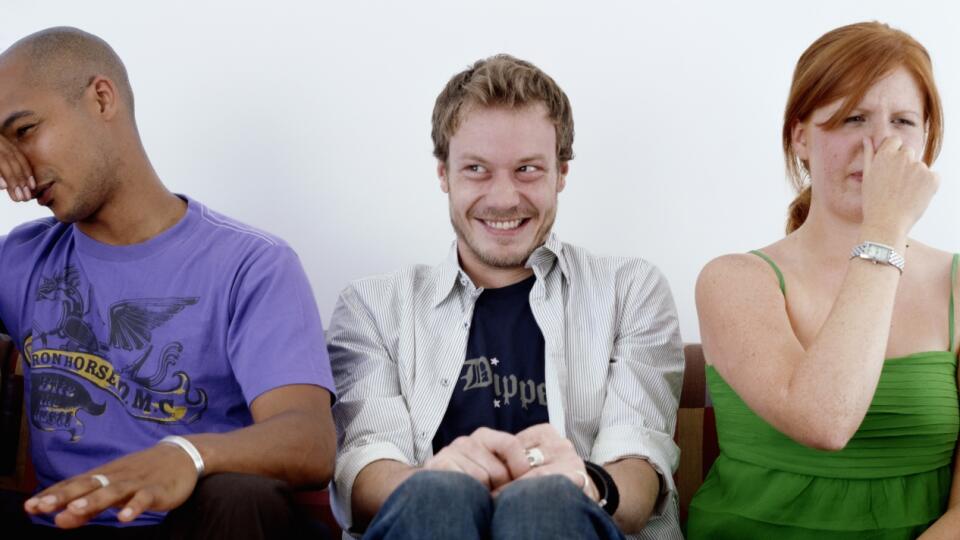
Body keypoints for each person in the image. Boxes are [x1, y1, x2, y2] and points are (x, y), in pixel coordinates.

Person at [327, 54, 685, 540]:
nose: (502, 198)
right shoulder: (373, 308)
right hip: (430, 525)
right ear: (443, 174)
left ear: (561, 173)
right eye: (476, 169)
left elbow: (638, 472)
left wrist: (583, 482)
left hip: (570, 524)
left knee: (544, 504)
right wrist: (438, 481)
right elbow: (365, 467)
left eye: (527, 170)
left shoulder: (630, 291)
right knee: (439, 497)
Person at [0, 27, 337, 538]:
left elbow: (310, 440)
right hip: (58, 523)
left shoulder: (250, 264)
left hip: (192, 524)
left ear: (101, 99)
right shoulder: (21, 259)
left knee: (241, 496)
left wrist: (186, 455)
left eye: (24, 131)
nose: (18, 166)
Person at [687, 21, 959, 539]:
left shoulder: (956, 285)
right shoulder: (734, 280)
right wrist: (884, 229)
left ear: (926, 144)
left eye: (903, 121)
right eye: (853, 118)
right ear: (800, 138)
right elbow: (825, 421)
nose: (879, 146)